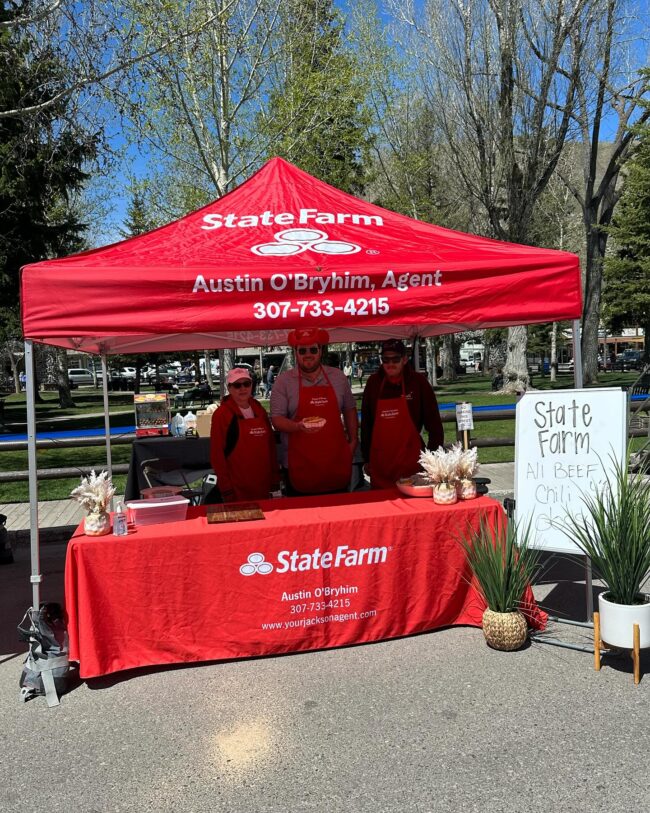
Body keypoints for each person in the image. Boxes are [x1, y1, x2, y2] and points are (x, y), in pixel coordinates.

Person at [271, 328, 358, 496]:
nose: (308, 354)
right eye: (302, 350)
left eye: (313, 349)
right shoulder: (283, 382)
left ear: (320, 350)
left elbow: (350, 409)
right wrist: (298, 426)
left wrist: (353, 441)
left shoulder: (338, 377)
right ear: (295, 352)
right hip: (300, 464)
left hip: (336, 462)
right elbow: (276, 419)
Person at [361, 339, 444, 490]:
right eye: (385, 359)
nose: (390, 363)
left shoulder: (418, 383)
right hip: (381, 464)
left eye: (395, 359)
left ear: (405, 359)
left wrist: (433, 460)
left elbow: (434, 425)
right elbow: (366, 424)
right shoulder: (373, 383)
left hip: (412, 463)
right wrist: (366, 458)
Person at [209, 367, 281, 503]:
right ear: (229, 388)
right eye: (237, 385)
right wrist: (226, 488)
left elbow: (270, 445)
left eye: (246, 384)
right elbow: (217, 455)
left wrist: (275, 478)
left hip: (263, 484)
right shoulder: (221, 415)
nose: (243, 389)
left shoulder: (258, 408)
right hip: (237, 487)